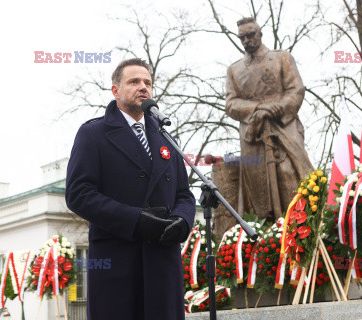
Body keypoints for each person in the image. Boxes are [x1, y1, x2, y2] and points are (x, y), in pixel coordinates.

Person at [65, 58, 196, 320]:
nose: (143, 87)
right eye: (134, 82)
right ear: (115, 91)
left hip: (162, 264)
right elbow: (78, 194)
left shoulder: (166, 138)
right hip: (118, 266)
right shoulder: (94, 134)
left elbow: (184, 194)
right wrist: (135, 220)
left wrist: (183, 220)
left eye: (147, 83)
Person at [226, 17, 313, 219]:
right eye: (242, 37)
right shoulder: (234, 70)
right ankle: (268, 237)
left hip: (284, 125)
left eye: (250, 35)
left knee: (291, 176)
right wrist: (258, 109)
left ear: (260, 33)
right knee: (258, 191)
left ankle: (300, 227)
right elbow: (230, 104)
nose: (247, 40)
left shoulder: (282, 57)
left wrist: (275, 108)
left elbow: (296, 90)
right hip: (253, 133)